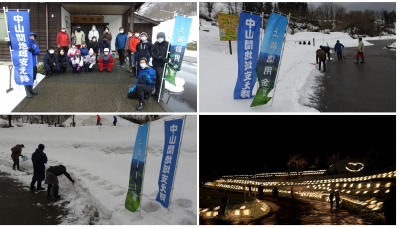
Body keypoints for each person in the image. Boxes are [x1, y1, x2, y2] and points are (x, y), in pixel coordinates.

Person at [151, 32, 170, 99]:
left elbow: (170, 54)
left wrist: (167, 58)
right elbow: (153, 54)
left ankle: (160, 95)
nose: (159, 39)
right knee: (155, 79)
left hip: (162, 66)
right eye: (158, 37)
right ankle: (156, 92)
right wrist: (160, 57)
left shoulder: (168, 45)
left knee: (161, 80)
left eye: (161, 37)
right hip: (155, 64)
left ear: (164, 37)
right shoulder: (155, 44)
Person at [27, 32, 40, 97]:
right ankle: (27, 91)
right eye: (30, 36)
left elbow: (38, 51)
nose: (32, 37)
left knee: (32, 77)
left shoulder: (35, 45)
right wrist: (11, 44)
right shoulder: (24, 44)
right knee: (27, 77)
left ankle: (31, 89)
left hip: (33, 64)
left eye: (33, 36)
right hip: (26, 64)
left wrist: (33, 51)